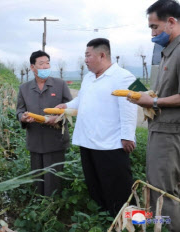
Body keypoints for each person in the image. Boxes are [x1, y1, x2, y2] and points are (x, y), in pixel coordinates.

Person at [56, 38, 138, 216]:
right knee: (95, 183)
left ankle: (125, 220)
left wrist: (128, 135)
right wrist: (67, 106)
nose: (85, 59)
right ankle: (103, 217)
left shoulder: (124, 76)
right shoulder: (88, 78)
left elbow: (130, 108)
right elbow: (81, 100)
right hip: (88, 141)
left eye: (88, 55)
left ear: (102, 55)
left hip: (111, 143)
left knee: (116, 186)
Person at [127, 1, 180, 230]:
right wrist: (146, 97)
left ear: (171, 21)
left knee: (163, 195)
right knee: (162, 191)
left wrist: (154, 101)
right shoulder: (168, 53)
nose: (152, 33)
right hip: (161, 131)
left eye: (154, 27)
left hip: (170, 134)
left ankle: (167, 227)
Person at [16, 50, 72, 196]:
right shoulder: (24, 88)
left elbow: (70, 108)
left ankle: (53, 206)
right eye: (41, 64)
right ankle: (39, 205)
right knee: (38, 179)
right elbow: (19, 110)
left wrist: (57, 118)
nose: (46, 67)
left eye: (47, 63)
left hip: (55, 140)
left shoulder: (60, 85)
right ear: (32, 67)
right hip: (35, 140)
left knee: (54, 180)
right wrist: (23, 117)